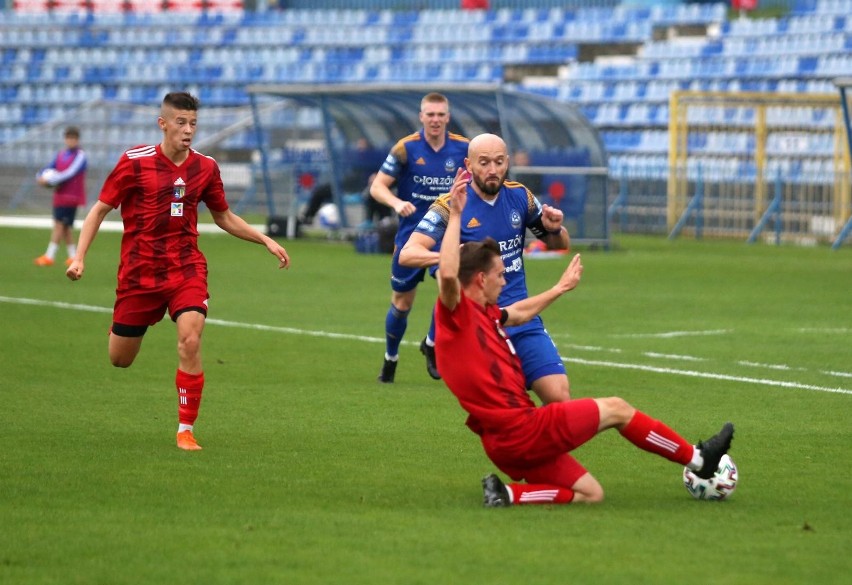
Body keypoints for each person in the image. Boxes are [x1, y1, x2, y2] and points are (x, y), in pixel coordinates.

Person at [433, 168, 735, 506]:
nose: (505, 281)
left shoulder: (486, 311)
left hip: (503, 443)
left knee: (591, 494)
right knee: (618, 409)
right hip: (523, 429)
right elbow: (448, 273)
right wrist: (456, 214)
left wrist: (559, 288)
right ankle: (700, 460)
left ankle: (507, 494)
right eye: (499, 275)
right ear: (478, 279)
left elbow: (516, 313)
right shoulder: (455, 315)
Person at [65, 92, 291, 451]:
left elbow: (224, 217)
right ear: (163, 124)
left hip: (185, 268)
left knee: (190, 336)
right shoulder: (134, 162)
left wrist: (264, 239)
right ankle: (125, 323)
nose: (188, 131)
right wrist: (79, 258)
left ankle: (185, 429)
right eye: (181, 123)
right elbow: (98, 210)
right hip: (139, 274)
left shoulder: (205, 168)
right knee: (120, 359)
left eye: (193, 124)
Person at [400, 133, 572, 404]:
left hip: (520, 315)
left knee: (560, 398)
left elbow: (559, 244)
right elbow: (408, 254)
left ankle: (432, 341)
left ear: (507, 163)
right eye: (484, 163)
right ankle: (434, 341)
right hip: (478, 327)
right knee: (511, 410)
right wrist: (447, 257)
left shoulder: (520, 196)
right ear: (468, 165)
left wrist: (555, 229)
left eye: (499, 162)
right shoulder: (450, 205)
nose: (493, 170)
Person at [370, 92, 469, 383]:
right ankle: (391, 358)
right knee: (402, 303)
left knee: (451, 287)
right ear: (421, 116)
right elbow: (378, 186)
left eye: (441, 115)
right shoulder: (406, 148)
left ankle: (432, 343)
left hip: (447, 235)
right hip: (412, 235)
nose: (436, 120)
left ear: (448, 117)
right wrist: (396, 203)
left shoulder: (464, 148)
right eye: (430, 114)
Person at [33, 126, 87, 267]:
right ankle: (73, 256)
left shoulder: (80, 155)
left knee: (59, 224)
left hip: (71, 196)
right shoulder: (61, 154)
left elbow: (70, 172)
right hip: (60, 195)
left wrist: (51, 180)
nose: (71, 141)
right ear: (65, 139)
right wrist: (39, 177)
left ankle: (49, 256)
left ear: (77, 140)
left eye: (73, 138)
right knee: (65, 227)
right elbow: (48, 168)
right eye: (68, 138)